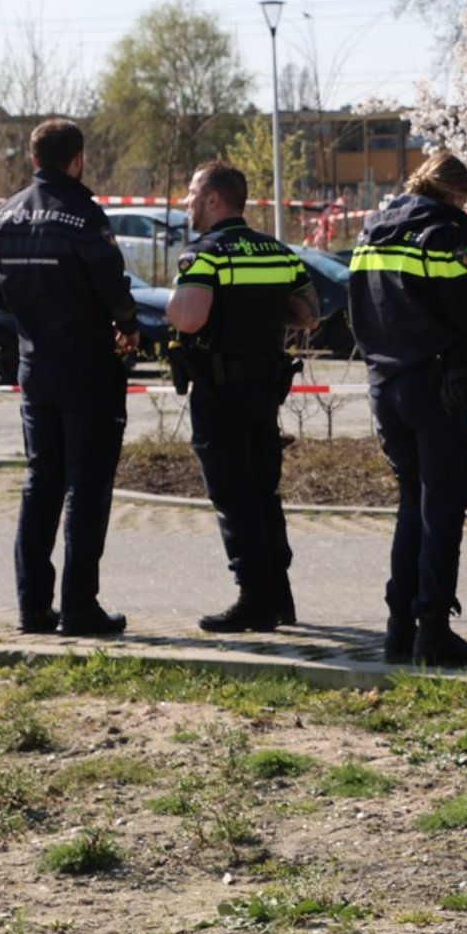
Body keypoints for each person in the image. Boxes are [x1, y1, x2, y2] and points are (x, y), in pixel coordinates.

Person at [0, 118, 140, 636]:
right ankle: (79, 608)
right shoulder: (83, 215)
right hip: (87, 368)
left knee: (39, 485)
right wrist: (128, 327)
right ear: (77, 160)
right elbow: (112, 289)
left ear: (33, 160)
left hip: (35, 368)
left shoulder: (1, 217)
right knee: (87, 488)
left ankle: (32, 608)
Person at [349, 151, 467, 666]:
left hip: (385, 387)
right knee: (442, 509)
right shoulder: (444, 234)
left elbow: (359, 313)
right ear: (456, 195)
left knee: (412, 506)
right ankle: (432, 629)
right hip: (437, 390)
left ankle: (399, 629)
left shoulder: (372, 231)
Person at [166, 162, 320, 634]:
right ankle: (280, 595)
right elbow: (309, 313)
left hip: (219, 390)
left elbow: (188, 319)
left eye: (193, 194)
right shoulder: (277, 251)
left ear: (214, 200)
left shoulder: (205, 255)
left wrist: (169, 305)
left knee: (233, 494)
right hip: (264, 389)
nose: (186, 203)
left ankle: (254, 599)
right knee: (262, 491)